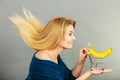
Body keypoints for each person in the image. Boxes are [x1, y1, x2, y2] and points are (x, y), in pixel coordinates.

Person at [9, 9, 113, 80]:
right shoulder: (44, 61)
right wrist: (89, 73)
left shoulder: (53, 55)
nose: (74, 38)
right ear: (57, 36)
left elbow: (69, 77)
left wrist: (80, 62)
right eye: (70, 34)